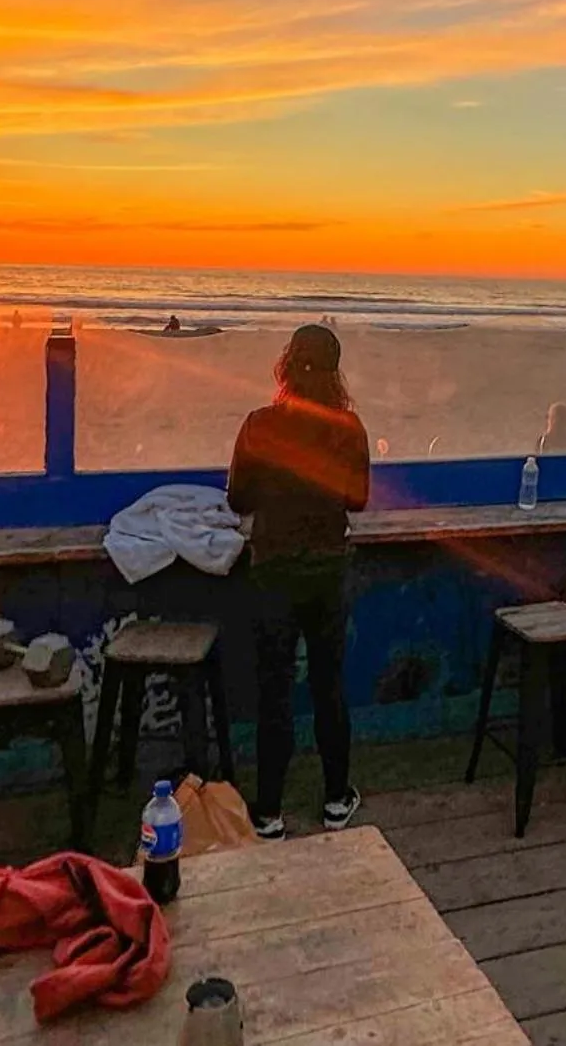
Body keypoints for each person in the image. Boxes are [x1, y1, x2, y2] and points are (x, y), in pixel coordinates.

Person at [227, 324, 370, 841]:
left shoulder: (260, 424)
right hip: (328, 571)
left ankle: (268, 811)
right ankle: (336, 797)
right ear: (335, 373)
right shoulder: (348, 428)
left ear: (285, 365)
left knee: (274, 691)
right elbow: (357, 500)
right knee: (329, 686)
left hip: (274, 571)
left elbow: (238, 500)